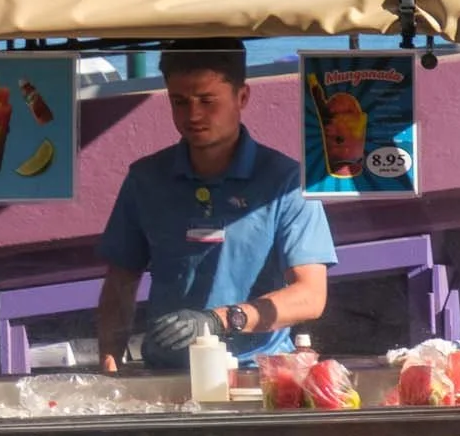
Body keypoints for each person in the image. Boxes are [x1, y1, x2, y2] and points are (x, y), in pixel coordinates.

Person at [95, 45, 334, 371]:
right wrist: (110, 365)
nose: (193, 115)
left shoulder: (286, 182)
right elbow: (120, 281)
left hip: (256, 371)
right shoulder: (146, 179)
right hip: (167, 373)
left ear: (243, 97)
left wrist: (219, 320)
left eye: (207, 101)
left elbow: (310, 295)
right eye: (180, 102)